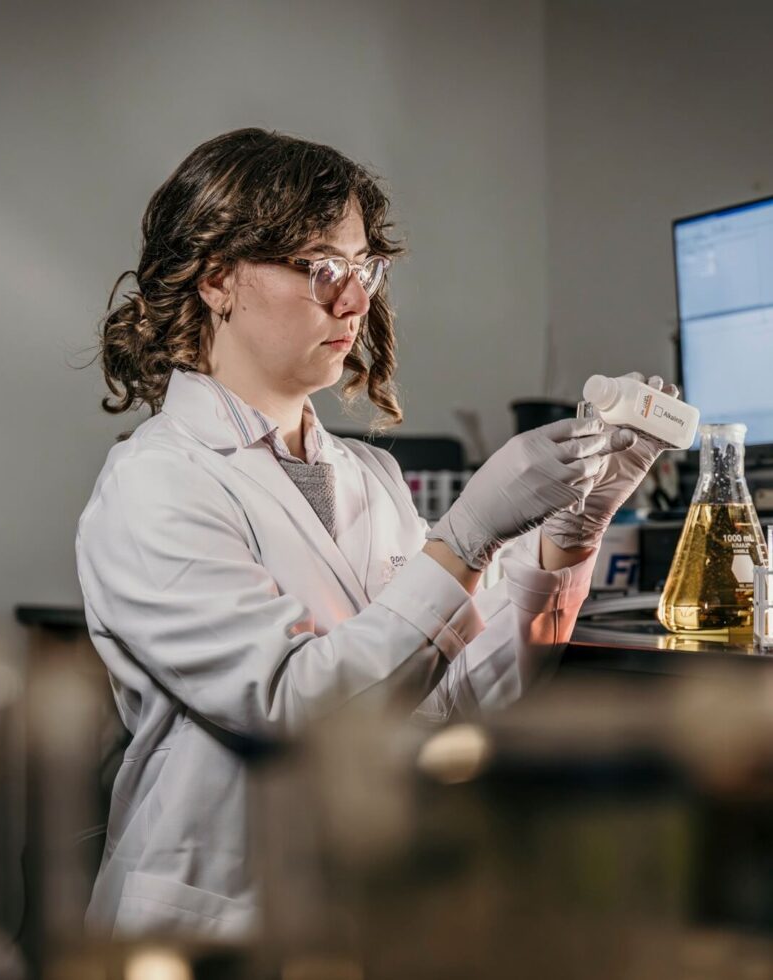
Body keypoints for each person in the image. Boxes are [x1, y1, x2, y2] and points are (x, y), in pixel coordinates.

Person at [76, 128, 675, 939]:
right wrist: (462, 543)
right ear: (217, 277)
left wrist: (569, 534)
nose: (355, 302)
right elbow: (294, 704)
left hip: (366, 912)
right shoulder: (156, 482)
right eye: (322, 267)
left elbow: (457, 698)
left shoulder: (370, 478)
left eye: (365, 270)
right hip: (217, 929)